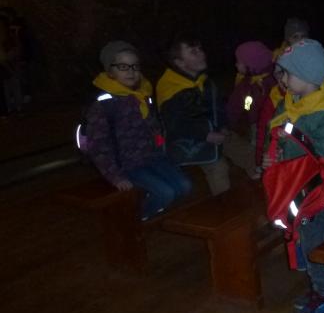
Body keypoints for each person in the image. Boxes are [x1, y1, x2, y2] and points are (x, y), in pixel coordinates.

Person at [265, 39, 324, 313]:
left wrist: (291, 141)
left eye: (287, 73)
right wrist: (273, 156)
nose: (282, 79)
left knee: (314, 237)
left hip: (321, 188)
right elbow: (278, 136)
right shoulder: (291, 103)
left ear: (306, 76)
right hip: (299, 183)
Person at [86, 40, 191, 219]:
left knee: (184, 186)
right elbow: (98, 146)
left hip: (153, 157)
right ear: (110, 71)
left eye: (135, 66)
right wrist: (116, 176)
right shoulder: (104, 104)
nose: (131, 71)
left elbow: (155, 128)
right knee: (165, 193)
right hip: (127, 165)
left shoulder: (143, 94)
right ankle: (136, 219)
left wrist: (162, 147)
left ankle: (155, 209)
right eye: (123, 67)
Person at [156, 35, 230, 195]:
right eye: (193, 52)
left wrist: (223, 125)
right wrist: (206, 134)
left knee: (246, 151)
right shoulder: (171, 89)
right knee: (219, 167)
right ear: (180, 62)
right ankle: (225, 204)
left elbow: (217, 108)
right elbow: (175, 125)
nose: (201, 53)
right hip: (188, 140)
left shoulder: (204, 81)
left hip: (212, 132)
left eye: (200, 49)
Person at [225, 40, 276, 178]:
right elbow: (235, 106)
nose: (236, 64)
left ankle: (260, 168)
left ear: (250, 64)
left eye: (239, 62)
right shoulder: (251, 81)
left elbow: (233, 108)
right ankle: (259, 165)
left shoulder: (264, 82)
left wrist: (228, 123)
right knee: (260, 144)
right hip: (263, 124)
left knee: (261, 145)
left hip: (267, 124)